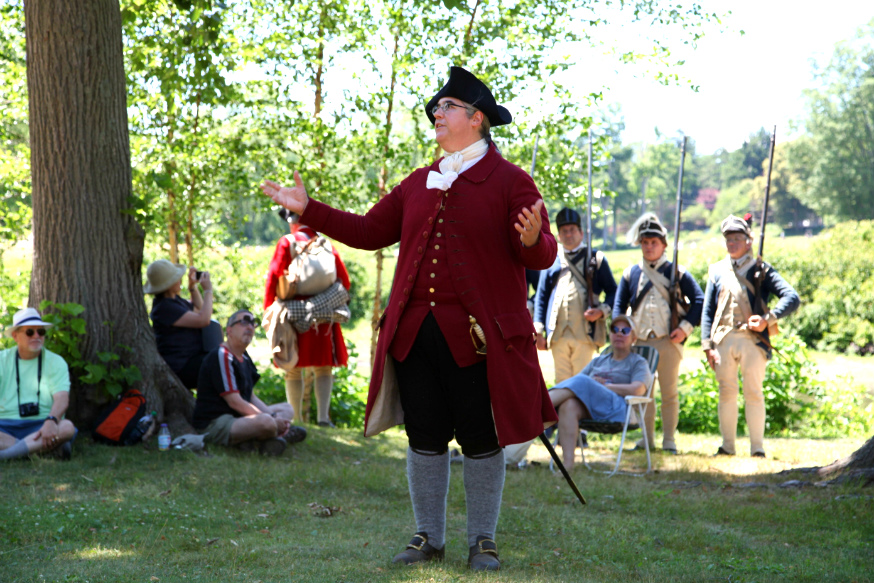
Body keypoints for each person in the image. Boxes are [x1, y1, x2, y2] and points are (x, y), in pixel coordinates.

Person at [261, 66, 557, 571]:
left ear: (476, 118)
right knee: (424, 434)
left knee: (480, 437)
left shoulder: (511, 180)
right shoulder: (420, 182)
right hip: (415, 333)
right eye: (435, 108)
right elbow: (368, 229)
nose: (436, 113)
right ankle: (428, 537)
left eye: (446, 107)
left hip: (477, 338)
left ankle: (482, 540)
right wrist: (310, 209)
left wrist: (532, 240)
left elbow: (542, 252)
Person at [701, 214, 800, 458]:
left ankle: (757, 448)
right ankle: (727, 446)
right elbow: (707, 312)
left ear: (748, 241)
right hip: (723, 339)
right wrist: (707, 345)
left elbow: (791, 297)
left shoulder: (761, 270)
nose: (732, 243)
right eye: (729, 239)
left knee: (754, 392)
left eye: (737, 238)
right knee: (726, 392)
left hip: (753, 341)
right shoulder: (716, 271)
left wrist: (767, 319)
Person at [612, 213, 704, 454]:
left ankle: (669, 440)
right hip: (639, 343)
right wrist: (623, 335)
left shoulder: (677, 272)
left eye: (654, 242)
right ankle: (646, 439)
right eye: (645, 242)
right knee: (643, 392)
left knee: (669, 392)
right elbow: (618, 308)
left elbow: (698, 300)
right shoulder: (630, 273)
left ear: (663, 244)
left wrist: (684, 329)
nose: (649, 247)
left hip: (667, 340)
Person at [264, 209, 350, 427]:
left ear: (292, 223)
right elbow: (344, 282)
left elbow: (274, 277)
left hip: (293, 315)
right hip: (324, 317)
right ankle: (323, 418)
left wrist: (269, 310)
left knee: (292, 369)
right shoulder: (326, 245)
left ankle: (297, 419)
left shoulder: (288, 242)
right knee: (324, 368)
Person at [192, 309, 306, 456]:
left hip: (239, 417)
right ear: (229, 330)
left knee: (287, 409)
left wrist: (274, 416)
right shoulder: (222, 356)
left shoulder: (244, 357)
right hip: (216, 422)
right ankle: (271, 437)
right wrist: (271, 419)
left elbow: (250, 397)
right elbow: (235, 402)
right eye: (244, 322)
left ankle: (265, 438)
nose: (250, 327)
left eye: (253, 324)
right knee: (267, 422)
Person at [548, 314, 652, 470]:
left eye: (625, 330)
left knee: (584, 381)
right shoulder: (598, 361)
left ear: (634, 338)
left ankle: (539, 407)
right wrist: (592, 386)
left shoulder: (638, 362)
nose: (619, 333)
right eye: (614, 329)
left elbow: (638, 389)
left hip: (620, 409)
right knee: (568, 405)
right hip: (593, 407)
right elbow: (575, 385)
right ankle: (567, 466)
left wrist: (605, 387)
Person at [533, 207, 617, 381]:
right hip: (558, 334)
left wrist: (601, 311)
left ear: (581, 233)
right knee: (561, 383)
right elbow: (541, 297)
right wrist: (539, 331)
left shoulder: (595, 259)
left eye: (572, 230)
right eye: (564, 231)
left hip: (585, 333)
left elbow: (613, 292)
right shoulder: (551, 259)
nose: (568, 234)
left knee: (582, 381)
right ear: (558, 236)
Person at [0, 308, 77, 460]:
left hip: (43, 424)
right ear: (15, 336)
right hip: (5, 425)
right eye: (30, 332)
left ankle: (7, 455)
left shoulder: (56, 361)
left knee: (67, 427)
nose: (36, 336)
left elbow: (62, 398)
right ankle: (41, 450)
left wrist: (52, 420)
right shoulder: (2, 360)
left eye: (40, 332)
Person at [143, 259, 214, 389]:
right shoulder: (164, 308)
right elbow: (203, 320)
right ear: (168, 285)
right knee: (221, 362)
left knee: (228, 357)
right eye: (176, 278)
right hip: (182, 365)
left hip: (192, 359)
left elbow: (199, 309)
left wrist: (193, 287)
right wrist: (208, 291)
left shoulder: (175, 301)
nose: (180, 280)